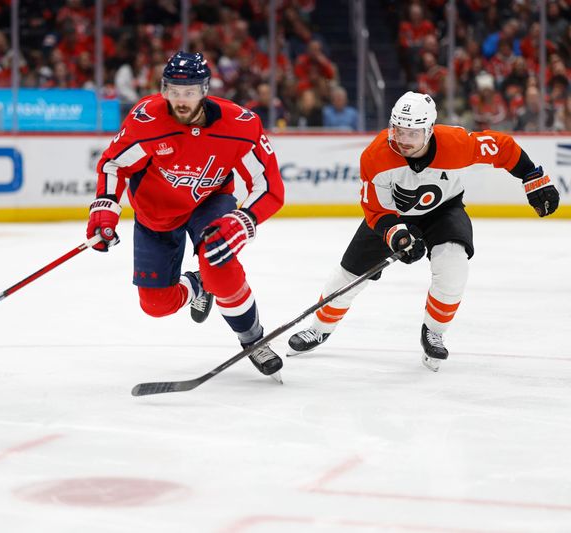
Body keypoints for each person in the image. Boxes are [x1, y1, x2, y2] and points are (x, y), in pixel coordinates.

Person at [286, 91, 559, 371]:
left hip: (444, 211)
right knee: (348, 275)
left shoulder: (456, 143)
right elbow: (377, 211)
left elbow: (502, 147)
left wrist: (532, 176)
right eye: (399, 130)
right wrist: (398, 236)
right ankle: (320, 327)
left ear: (429, 131)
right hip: (393, 217)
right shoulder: (375, 156)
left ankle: (434, 331)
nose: (403, 140)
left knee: (453, 266)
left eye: (413, 133)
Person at [85, 51, 286, 380]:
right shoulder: (147, 120)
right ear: (163, 89)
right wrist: (106, 207)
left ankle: (253, 339)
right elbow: (114, 164)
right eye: (173, 91)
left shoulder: (241, 125)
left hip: (210, 202)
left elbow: (269, 187)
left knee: (218, 262)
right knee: (156, 305)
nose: (180, 100)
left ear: (205, 90)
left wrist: (244, 219)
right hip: (155, 213)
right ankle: (197, 284)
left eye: (189, 91)